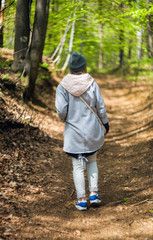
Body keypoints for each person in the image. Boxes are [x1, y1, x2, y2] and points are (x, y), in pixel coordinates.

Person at [55, 52, 109, 211]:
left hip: (74, 132)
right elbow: (100, 107)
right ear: (84, 66)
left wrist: (65, 118)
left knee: (78, 165)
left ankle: (81, 200)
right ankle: (94, 194)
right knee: (92, 160)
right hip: (91, 130)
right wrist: (105, 124)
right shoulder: (92, 83)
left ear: (71, 67)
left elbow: (61, 110)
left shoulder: (62, 86)